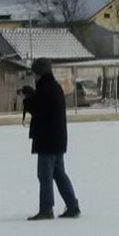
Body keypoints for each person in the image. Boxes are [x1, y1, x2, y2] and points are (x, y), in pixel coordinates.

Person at [23, 59, 79, 220]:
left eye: (35, 73)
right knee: (59, 173)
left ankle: (46, 209)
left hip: (47, 140)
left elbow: (38, 110)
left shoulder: (45, 89)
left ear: (40, 73)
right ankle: (72, 205)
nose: (34, 76)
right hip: (57, 139)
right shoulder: (54, 88)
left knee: (45, 175)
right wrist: (32, 95)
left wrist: (28, 98)